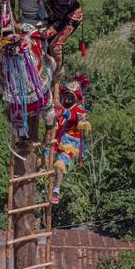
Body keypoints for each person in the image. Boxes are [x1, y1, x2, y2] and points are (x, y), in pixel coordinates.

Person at [14, 0, 83, 73]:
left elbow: (61, 19)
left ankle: (59, 70)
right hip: (55, 13)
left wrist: (49, 31)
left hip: (70, 16)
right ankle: (48, 63)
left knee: (55, 45)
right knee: (47, 42)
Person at [45, 74, 90, 203]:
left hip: (70, 142)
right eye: (67, 96)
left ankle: (56, 190)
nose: (68, 99)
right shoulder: (62, 107)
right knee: (44, 159)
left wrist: (62, 111)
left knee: (59, 165)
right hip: (57, 139)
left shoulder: (79, 110)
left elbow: (73, 117)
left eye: (72, 97)